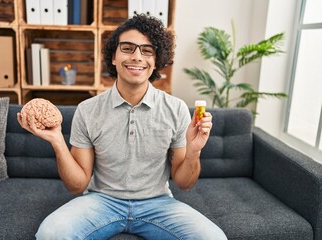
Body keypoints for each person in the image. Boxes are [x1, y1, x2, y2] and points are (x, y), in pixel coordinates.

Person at [18, 14, 227, 240]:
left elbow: (184, 184)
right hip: (101, 201)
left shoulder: (176, 109)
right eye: (127, 48)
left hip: (158, 204)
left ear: (156, 61)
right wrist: (58, 141)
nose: (137, 57)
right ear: (114, 57)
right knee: (51, 234)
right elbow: (76, 186)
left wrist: (193, 151)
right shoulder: (88, 110)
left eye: (147, 50)